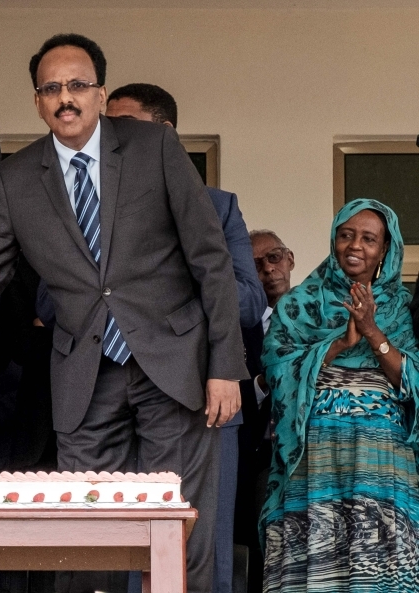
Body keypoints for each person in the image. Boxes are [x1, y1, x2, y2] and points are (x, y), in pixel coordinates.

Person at [0, 34, 246, 593]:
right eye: (51, 88)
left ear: (100, 92)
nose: (65, 98)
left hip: (175, 365)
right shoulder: (17, 180)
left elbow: (211, 260)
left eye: (78, 85)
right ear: (37, 101)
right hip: (85, 379)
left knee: (180, 529)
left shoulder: (153, 148)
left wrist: (224, 366)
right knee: (91, 538)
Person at [104, 82, 267, 593]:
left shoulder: (217, 207)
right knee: (118, 552)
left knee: (200, 555)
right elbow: (49, 303)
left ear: (165, 133)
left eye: (125, 126)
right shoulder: (90, 207)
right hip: (112, 404)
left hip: (203, 400)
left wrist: (166, 295)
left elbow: (248, 300)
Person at [261, 199, 419, 591]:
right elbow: (274, 367)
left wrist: (371, 331)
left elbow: (412, 377)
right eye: (346, 235)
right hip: (315, 453)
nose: (355, 246)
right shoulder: (300, 303)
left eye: (368, 239)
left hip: (382, 456)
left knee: (378, 555)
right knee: (316, 552)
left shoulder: (401, 308)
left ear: (385, 249)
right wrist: (333, 347)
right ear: (334, 240)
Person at [236, 229, 293, 592]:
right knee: (261, 552)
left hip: (314, 450)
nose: (268, 269)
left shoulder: (325, 314)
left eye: (274, 258)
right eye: (256, 264)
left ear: (290, 259)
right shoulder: (238, 326)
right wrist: (262, 383)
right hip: (260, 453)